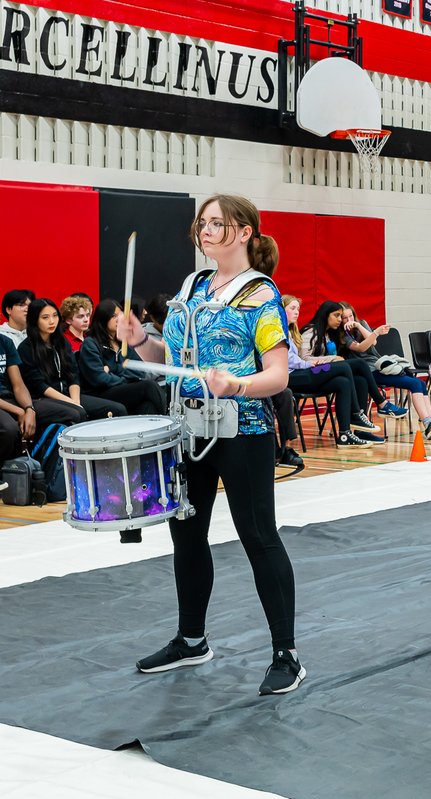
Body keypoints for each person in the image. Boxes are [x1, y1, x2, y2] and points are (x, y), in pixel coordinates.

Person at [116, 193, 305, 696]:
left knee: (258, 537)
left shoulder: (261, 295)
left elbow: (279, 377)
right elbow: (169, 356)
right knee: (188, 536)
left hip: (243, 432)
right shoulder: (193, 286)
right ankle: (191, 638)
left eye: (218, 223)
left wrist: (238, 384)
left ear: (245, 233)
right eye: (203, 222)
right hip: (189, 428)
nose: (205, 230)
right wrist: (139, 340)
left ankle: (286, 653)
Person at [282, 295, 380, 449]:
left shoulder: (290, 331)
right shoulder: (280, 331)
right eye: (292, 308)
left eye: (298, 309)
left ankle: (344, 434)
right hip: (292, 376)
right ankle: (358, 413)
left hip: (303, 371)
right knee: (344, 366)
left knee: (343, 382)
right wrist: (315, 362)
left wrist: (315, 362)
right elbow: (291, 360)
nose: (297, 312)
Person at [338, 302, 431, 444]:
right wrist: (376, 332)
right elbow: (362, 347)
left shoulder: (361, 324)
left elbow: (373, 342)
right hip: (369, 372)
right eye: (345, 318)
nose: (349, 320)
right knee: (415, 384)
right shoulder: (343, 336)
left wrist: (360, 326)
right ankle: (428, 422)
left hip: (380, 366)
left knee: (420, 384)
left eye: (351, 316)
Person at [301, 301, 405, 429]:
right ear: (326, 315)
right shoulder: (310, 331)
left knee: (360, 381)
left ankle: (360, 427)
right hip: (311, 373)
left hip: (324, 370)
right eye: (337, 316)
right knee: (359, 364)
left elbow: (373, 343)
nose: (340, 319)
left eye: (341, 316)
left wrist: (333, 358)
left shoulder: (328, 333)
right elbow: (305, 359)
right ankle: (381, 403)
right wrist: (333, 358)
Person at [18, 299, 124, 422]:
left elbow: (73, 374)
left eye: (55, 316)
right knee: (77, 413)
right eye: (45, 317)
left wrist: (75, 400)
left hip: (71, 395)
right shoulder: (26, 348)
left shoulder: (62, 342)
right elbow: (39, 386)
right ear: (34, 320)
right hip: (43, 399)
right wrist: (72, 403)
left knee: (118, 409)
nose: (52, 321)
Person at [76, 299, 168, 416]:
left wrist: (112, 369)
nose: (119, 319)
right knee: (149, 386)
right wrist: (124, 378)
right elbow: (98, 379)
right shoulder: (91, 343)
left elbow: (139, 371)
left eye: (120, 315)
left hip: (121, 388)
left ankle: (153, 432)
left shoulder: (123, 342)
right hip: (100, 393)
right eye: (114, 316)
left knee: (147, 406)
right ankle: (168, 422)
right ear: (103, 318)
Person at [0, 334, 37, 460]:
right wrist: (19, 411)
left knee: (72, 413)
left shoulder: (5, 342)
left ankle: (44, 471)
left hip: (9, 398)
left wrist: (29, 409)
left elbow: (18, 385)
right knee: (9, 429)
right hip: (5, 405)